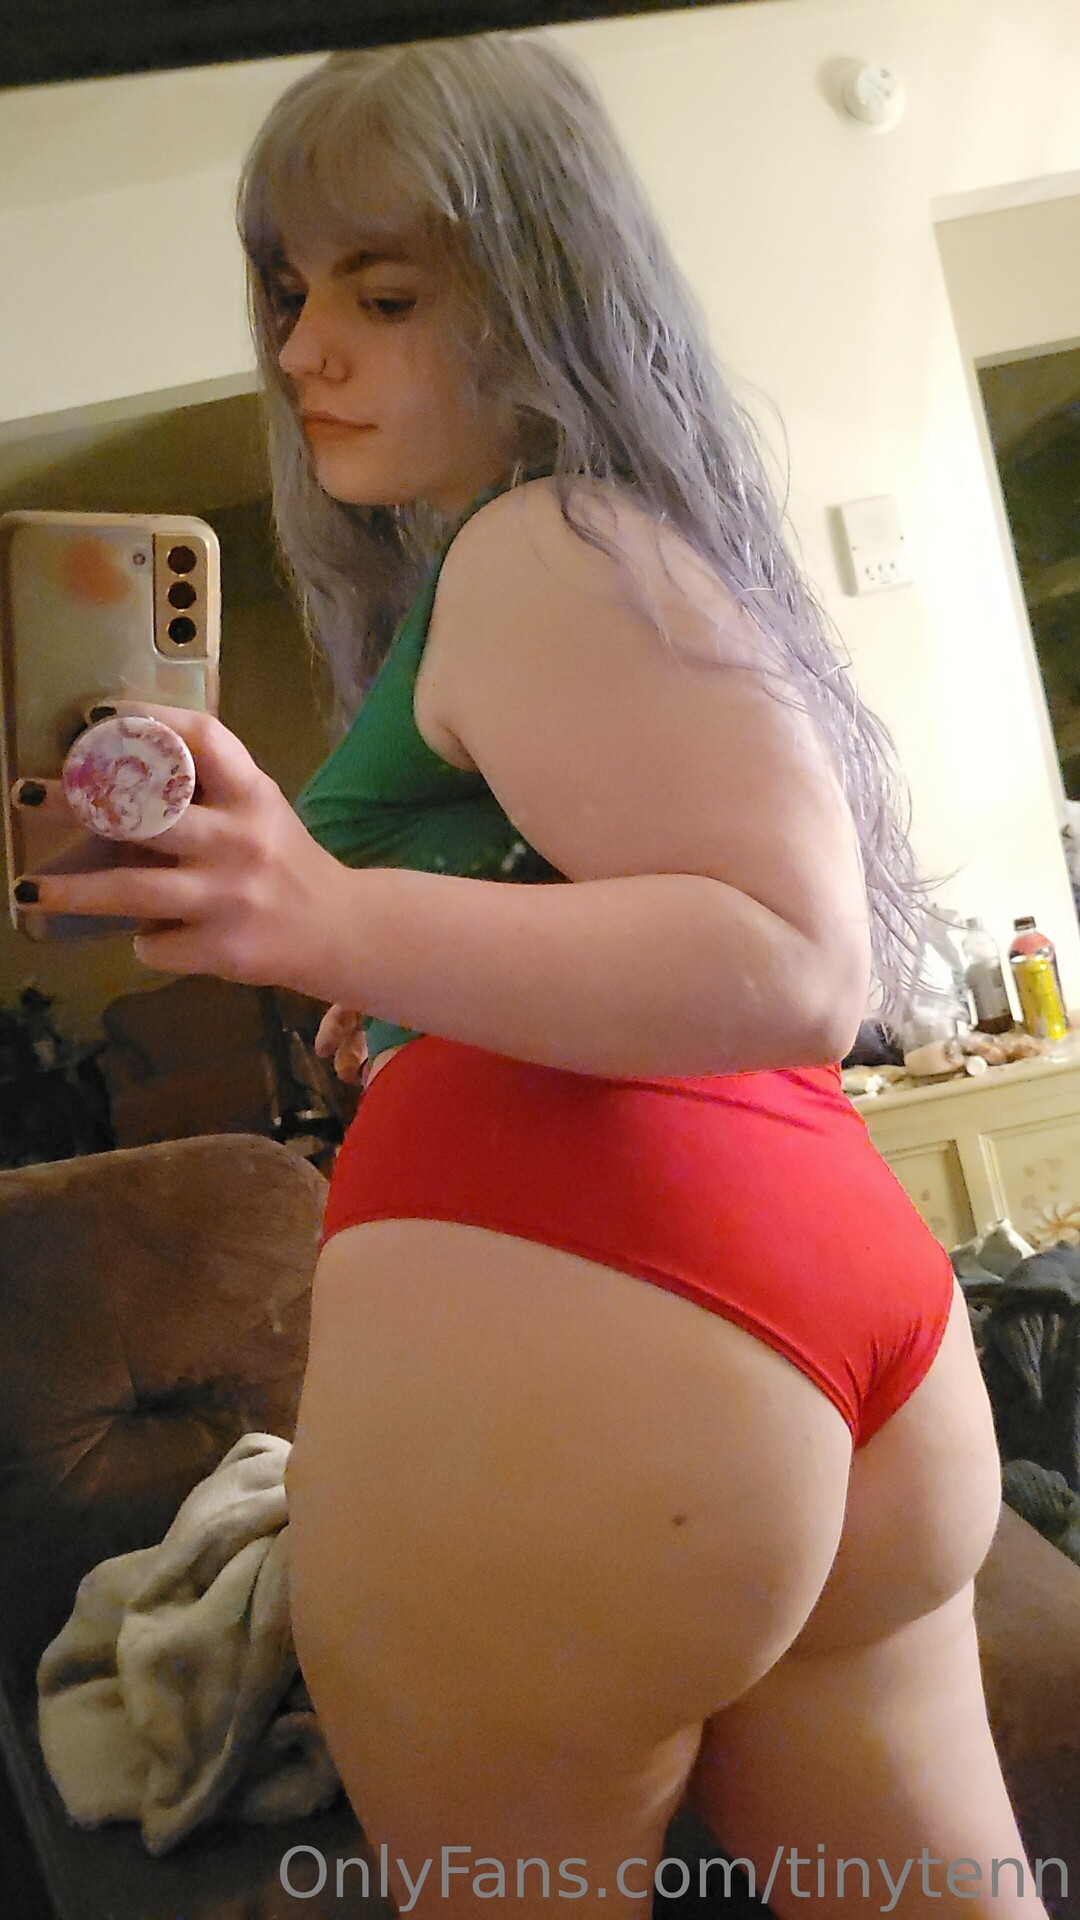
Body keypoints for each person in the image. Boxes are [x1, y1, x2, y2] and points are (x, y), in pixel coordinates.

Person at [11, 32, 1047, 1920]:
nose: (305, 348)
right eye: (290, 292)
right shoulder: (622, 549)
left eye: (384, 294)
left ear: (543, 289)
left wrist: (328, 916)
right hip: (823, 1305)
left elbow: (792, 958)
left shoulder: (534, 538)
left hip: (607, 1324)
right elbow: (667, 923)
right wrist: (415, 966)